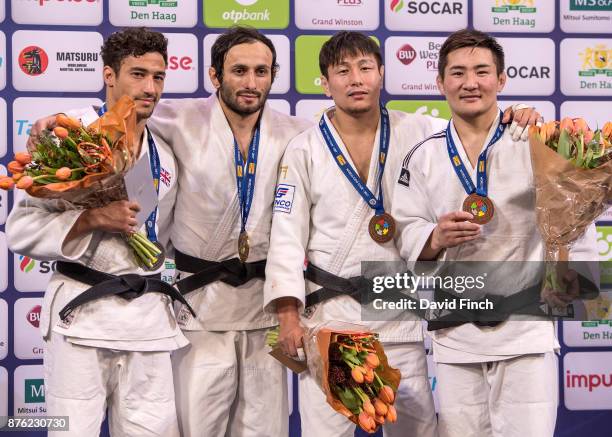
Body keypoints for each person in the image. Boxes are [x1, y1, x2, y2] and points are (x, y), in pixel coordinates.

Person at [263, 31, 540, 437]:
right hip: (331, 320)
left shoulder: (423, 131)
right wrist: (288, 315)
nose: (355, 79)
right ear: (324, 82)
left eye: (365, 68)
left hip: (399, 316)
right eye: (343, 71)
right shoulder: (303, 149)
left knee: (417, 431)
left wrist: (518, 119)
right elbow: (285, 237)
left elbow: (477, 132)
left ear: (382, 73)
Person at [391, 29, 599, 437]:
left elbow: (576, 214)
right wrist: (433, 238)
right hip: (455, 331)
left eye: (482, 71)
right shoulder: (423, 154)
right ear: (440, 83)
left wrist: (571, 276)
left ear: (501, 80)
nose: (470, 82)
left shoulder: (537, 143)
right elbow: (405, 228)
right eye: (458, 73)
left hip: (525, 328)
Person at [7, 28, 187, 436]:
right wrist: (91, 219)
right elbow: (21, 229)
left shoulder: (166, 157)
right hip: (81, 319)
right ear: (109, 75)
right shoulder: (70, 139)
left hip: (148, 324)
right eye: (138, 74)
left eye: (158, 77)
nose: (150, 88)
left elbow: (166, 240)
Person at [147, 27, 311, 437]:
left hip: (264, 308)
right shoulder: (178, 120)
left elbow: (365, 131)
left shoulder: (297, 133)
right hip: (200, 307)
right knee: (196, 427)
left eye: (262, 71)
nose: (251, 83)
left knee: (265, 428)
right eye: (239, 71)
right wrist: (64, 120)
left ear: (274, 75)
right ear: (215, 76)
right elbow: (119, 111)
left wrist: (501, 119)